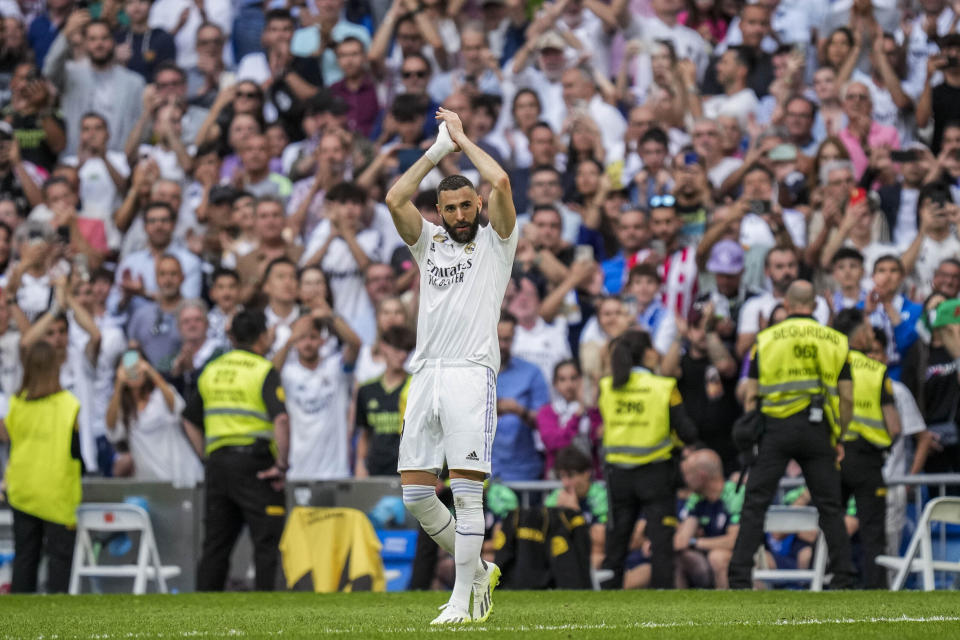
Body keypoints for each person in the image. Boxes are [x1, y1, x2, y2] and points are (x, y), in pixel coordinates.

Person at [384, 107, 516, 625]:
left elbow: (502, 178)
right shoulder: (429, 243)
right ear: (438, 212)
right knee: (416, 494)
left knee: (465, 492)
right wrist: (437, 152)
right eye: (451, 209)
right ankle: (479, 570)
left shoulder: (496, 243)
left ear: (477, 204)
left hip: (470, 372)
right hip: (427, 374)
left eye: (467, 206)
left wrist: (462, 136)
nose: (460, 215)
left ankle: (464, 600)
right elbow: (395, 198)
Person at [728, 280, 856, 589]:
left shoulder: (767, 339)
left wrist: (752, 427)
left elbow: (751, 394)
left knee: (755, 504)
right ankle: (843, 578)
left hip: (774, 429)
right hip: (817, 429)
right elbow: (848, 397)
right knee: (830, 507)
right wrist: (840, 434)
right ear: (814, 306)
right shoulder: (836, 341)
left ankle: (739, 578)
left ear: (786, 303)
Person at [183, 309, 290, 592]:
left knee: (216, 545)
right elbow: (280, 419)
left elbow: (188, 420)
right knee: (266, 543)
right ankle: (267, 612)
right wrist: (281, 464)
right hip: (256, 464)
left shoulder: (212, 370)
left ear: (232, 336)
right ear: (264, 336)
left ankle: (202, 614)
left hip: (218, 464)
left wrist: (207, 456)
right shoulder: (262, 369)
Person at [597, 329, 696, 590]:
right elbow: (687, 432)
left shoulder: (607, 387)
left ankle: (606, 596)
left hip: (617, 475)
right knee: (661, 542)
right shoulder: (664, 387)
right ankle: (662, 598)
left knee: (616, 541)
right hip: (656, 474)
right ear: (647, 353)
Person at [0, 341, 81, 593]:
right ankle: (56, 624)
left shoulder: (16, 404)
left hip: (23, 490)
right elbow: (78, 451)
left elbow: (7, 438)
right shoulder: (69, 404)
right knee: (59, 561)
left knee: (25, 559)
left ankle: (19, 625)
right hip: (56, 492)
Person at [832, 308, 901, 589]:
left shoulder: (828, 364)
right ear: (859, 334)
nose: (872, 335)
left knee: (833, 527)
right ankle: (875, 595)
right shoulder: (876, 371)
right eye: (870, 329)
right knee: (873, 533)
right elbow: (894, 426)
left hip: (832, 457)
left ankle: (833, 585)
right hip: (868, 460)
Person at [355, 325, 416, 477]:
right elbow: (365, 433)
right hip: (374, 469)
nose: (402, 355)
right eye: (397, 349)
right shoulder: (367, 390)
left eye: (406, 350)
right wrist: (360, 464)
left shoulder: (415, 387)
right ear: (383, 347)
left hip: (405, 470)